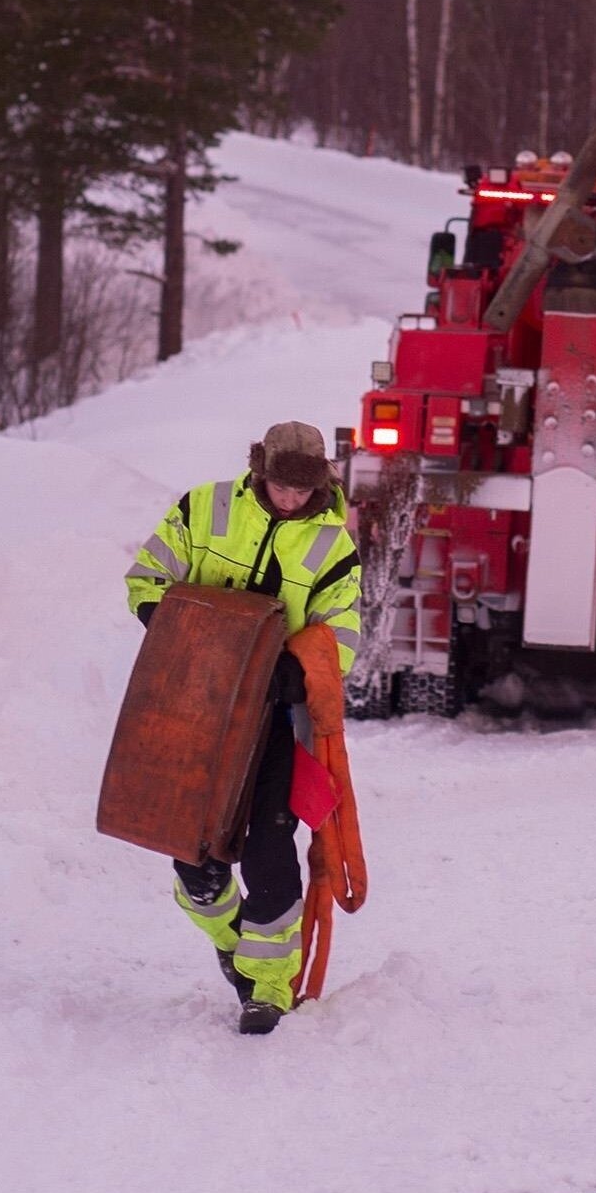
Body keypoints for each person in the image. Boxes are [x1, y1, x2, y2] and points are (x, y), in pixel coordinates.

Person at [122, 420, 363, 1035]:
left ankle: (269, 986)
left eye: (302, 491)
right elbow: (149, 576)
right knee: (192, 858)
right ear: (260, 469)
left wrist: (299, 669)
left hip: (278, 716)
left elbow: (343, 631)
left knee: (269, 847)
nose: (289, 499)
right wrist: (171, 627)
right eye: (280, 486)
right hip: (194, 705)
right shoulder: (203, 506)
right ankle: (232, 940)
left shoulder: (333, 544)